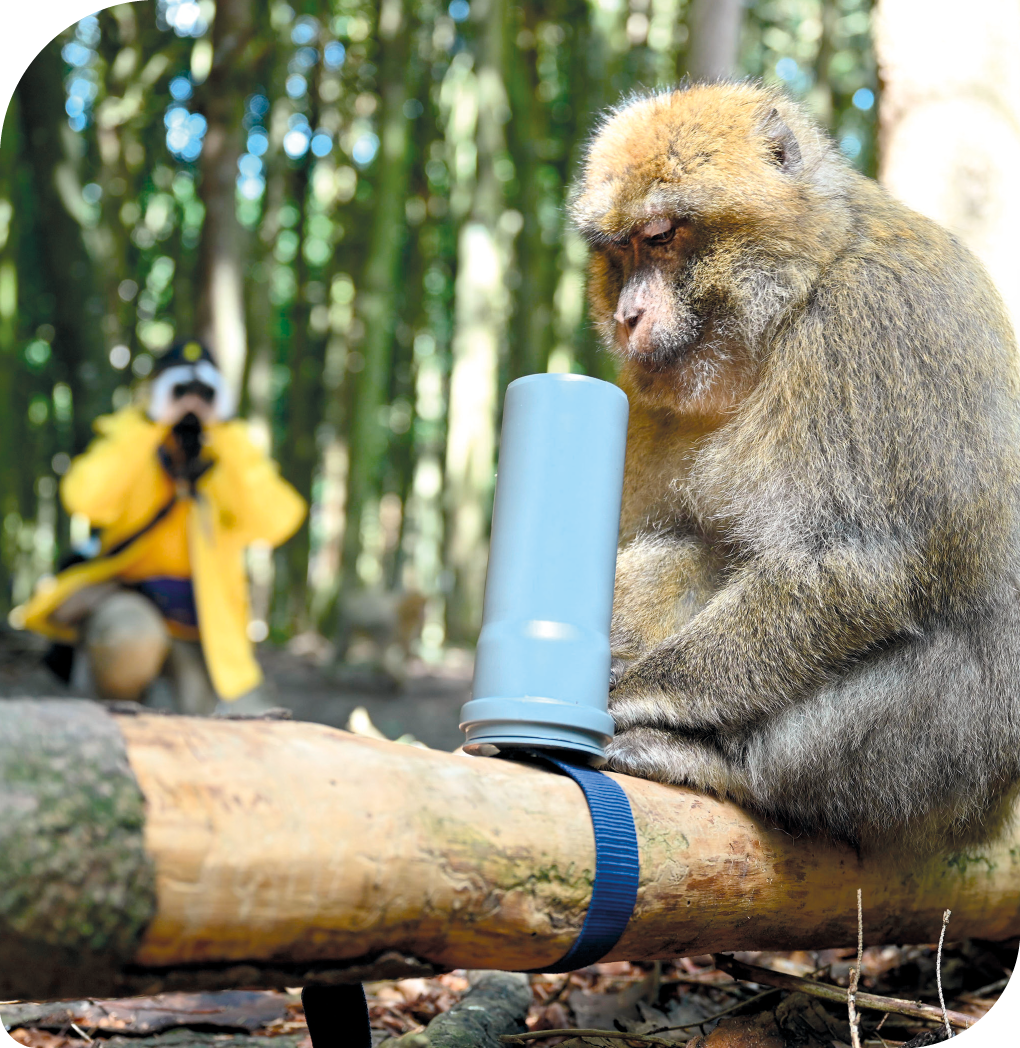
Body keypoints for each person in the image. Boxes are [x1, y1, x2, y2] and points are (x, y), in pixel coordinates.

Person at [18, 339, 306, 714]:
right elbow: (83, 498)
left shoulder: (226, 454)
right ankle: (114, 721)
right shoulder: (133, 437)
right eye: (178, 388)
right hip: (130, 603)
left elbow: (278, 522)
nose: (191, 400)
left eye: (204, 391)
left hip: (204, 627)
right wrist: (152, 422)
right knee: (131, 641)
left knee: (224, 723)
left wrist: (227, 429)